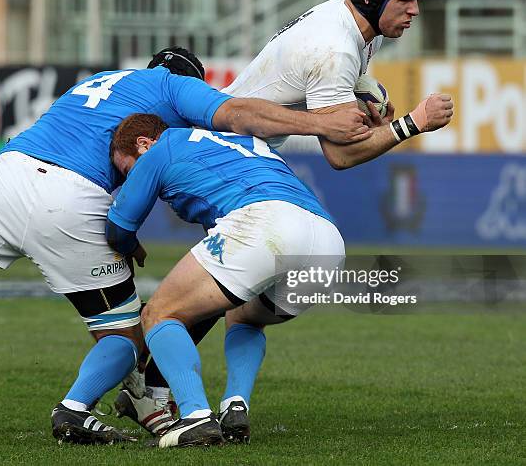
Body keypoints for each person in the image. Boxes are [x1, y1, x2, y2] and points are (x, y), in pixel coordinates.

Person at [0, 47, 370, 445]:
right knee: (130, 331)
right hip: (78, 193)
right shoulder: (175, 91)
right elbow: (235, 114)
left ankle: (148, 405)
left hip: (8, 172)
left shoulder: (100, 82)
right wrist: (319, 121)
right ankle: (134, 409)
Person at [117, 0, 455, 432]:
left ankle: (160, 388)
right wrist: (411, 124)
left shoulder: (351, 26)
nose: (415, 11)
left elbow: (333, 88)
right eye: (406, 1)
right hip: (231, 156)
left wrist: (367, 93)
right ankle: (157, 392)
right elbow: (340, 156)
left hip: (245, 156)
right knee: (201, 302)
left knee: (222, 296)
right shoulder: (335, 49)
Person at [106, 101, 452, 447]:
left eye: (127, 170)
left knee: (159, 313)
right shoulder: (237, 140)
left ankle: (194, 417)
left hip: (264, 223)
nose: (129, 178)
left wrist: (131, 245)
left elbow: (118, 230)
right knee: (242, 316)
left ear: (143, 144)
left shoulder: (159, 149)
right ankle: (234, 404)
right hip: (326, 241)